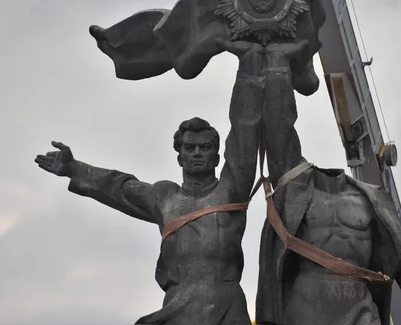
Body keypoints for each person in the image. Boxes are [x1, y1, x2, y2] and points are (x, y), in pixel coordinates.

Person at [34, 40, 267, 325]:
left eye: (204, 148)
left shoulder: (231, 189)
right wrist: (75, 169)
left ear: (217, 156)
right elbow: (119, 186)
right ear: (179, 157)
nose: (196, 153)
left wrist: (250, 68)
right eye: (190, 148)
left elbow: (244, 126)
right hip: (179, 303)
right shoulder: (165, 197)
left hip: (227, 303)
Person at [252, 40, 401, 325]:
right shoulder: (297, 189)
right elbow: (279, 127)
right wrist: (277, 64)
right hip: (306, 311)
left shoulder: (373, 199)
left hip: (360, 310)